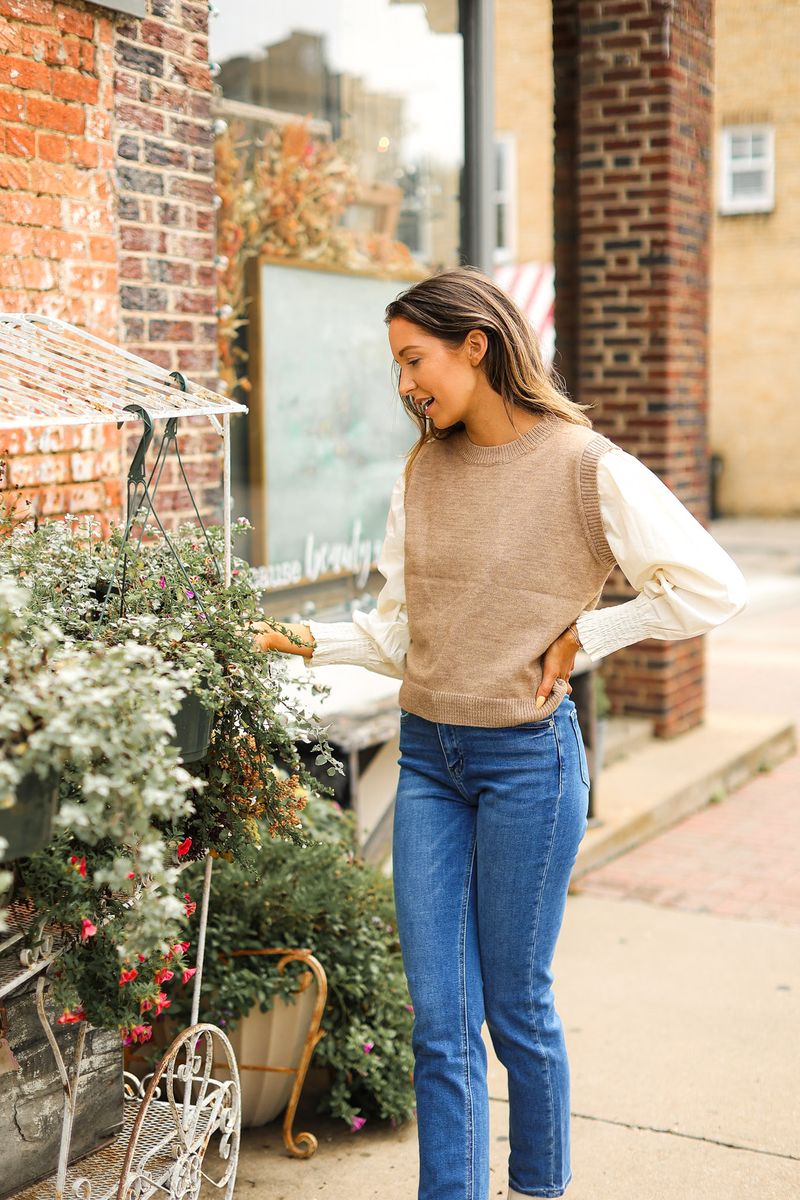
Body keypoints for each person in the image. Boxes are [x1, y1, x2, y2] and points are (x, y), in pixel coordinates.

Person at [255, 266, 747, 1200]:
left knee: (516, 1005)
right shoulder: (423, 470)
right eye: (396, 366)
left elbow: (709, 585)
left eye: (414, 360)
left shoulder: (584, 464)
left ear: (474, 346)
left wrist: (588, 633)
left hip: (528, 761)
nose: (404, 385)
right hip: (430, 759)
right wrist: (297, 637)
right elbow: (404, 636)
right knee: (440, 1019)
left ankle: (540, 1186)